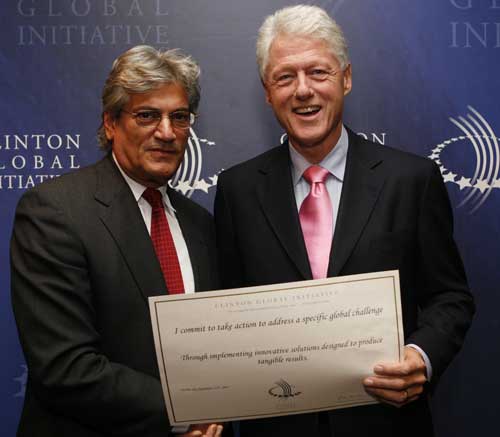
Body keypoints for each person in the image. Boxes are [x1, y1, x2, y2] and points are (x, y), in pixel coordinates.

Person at [214, 5, 474, 437]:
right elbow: (226, 309)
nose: (303, 90)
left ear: (346, 78)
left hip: (386, 423)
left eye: (318, 72)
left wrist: (421, 356)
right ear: (267, 92)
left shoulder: (411, 180)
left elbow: (450, 296)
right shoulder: (237, 190)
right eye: (285, 77)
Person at [11, 45, 223, 437]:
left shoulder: (201, 224)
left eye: (179, 117)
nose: (166, 132)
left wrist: (220, 408)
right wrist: (186, 411)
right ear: (110, 123)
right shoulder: (54, 212)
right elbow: (65, 368)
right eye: (147, 115)